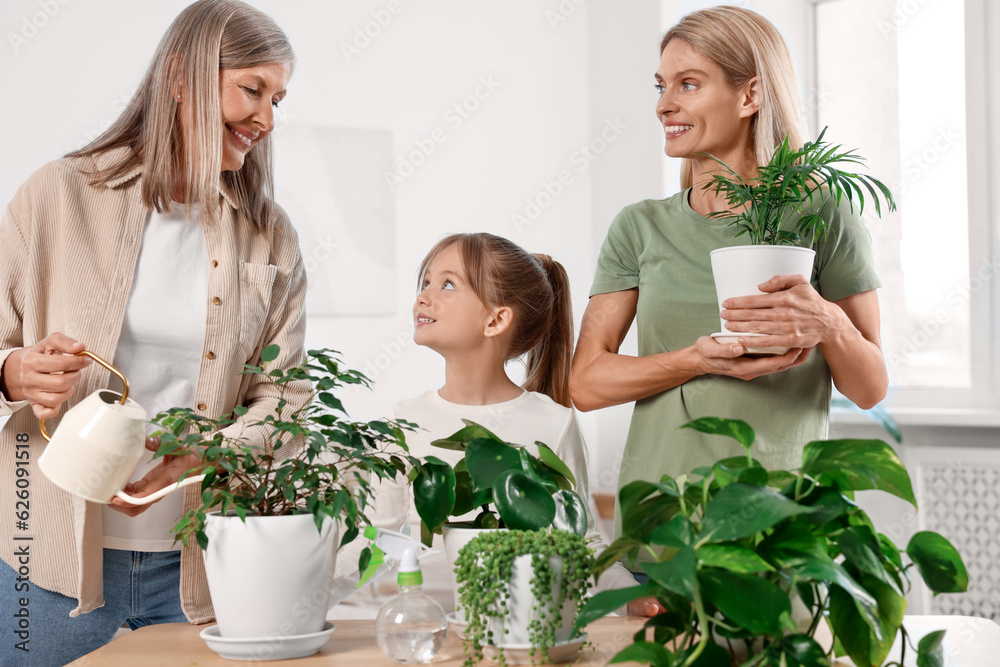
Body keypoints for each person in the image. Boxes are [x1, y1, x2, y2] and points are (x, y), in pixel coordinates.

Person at [0, 1, 307, 663]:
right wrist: (14, 371)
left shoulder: (269, 233)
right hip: (45, 562)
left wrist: (211, 450)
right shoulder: (55, 195)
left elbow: (287, 397)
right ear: (180, 76)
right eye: (251, 90)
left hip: (205, 567)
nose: (268, 118)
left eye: (278, 98)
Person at [570, 6, 887, 563]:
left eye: (688, 84)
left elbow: (869, 388)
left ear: (751, 95)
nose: (664, 104)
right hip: (661, 523)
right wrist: (697, 359)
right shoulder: (640, 226)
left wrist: (829, 322)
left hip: (781, 520)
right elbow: (588, 383)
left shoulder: (823, 211)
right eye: (662, 85)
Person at [333, 232, 649, 620]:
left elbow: (581, 543)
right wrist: (310, 597)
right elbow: (374, 540)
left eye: (447, 284)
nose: (424, 295)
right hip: (435, 636)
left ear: (496, 319)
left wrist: (629, 598)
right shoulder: (403, 422)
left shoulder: (554, 422)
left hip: (524, 634)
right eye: (426, 282)